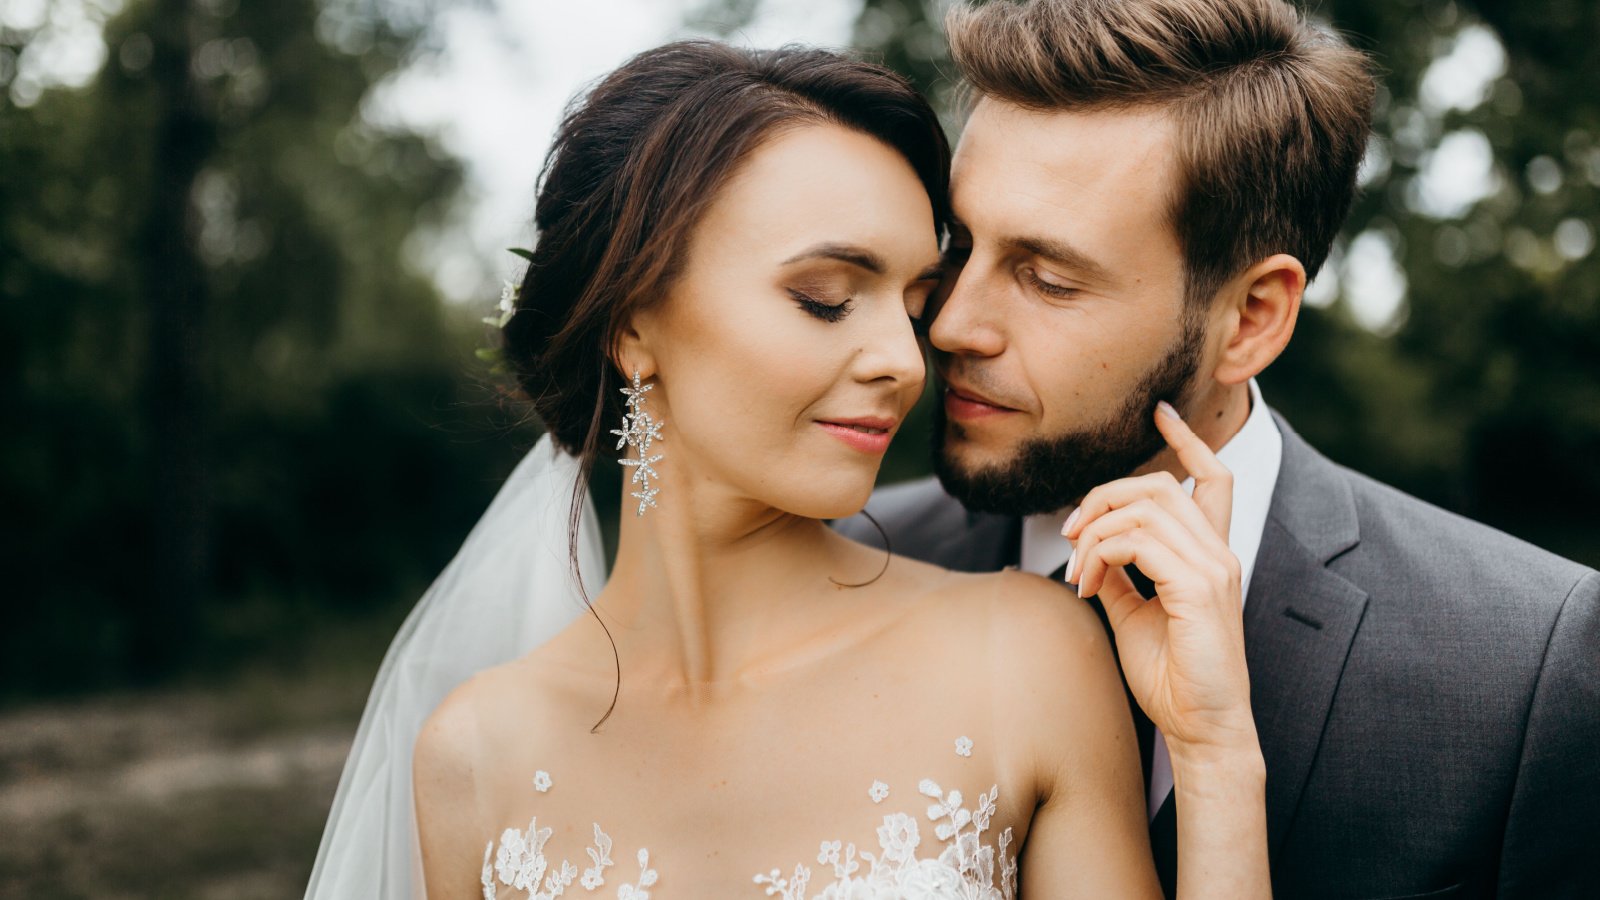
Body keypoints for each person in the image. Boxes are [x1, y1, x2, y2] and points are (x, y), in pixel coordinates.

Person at [307, 39, 1271, 900]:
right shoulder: (474, 757)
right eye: (824, 298)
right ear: (633, 324)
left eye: (913, 299)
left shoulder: (1025, 653)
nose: (907, 357)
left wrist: (1219, 759)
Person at [839, 1, 1600, 898]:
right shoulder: (854, 560)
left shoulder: (1524, 667)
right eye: (958, 247)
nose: (953, 323)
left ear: (1250, 319)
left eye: (1047, 279)